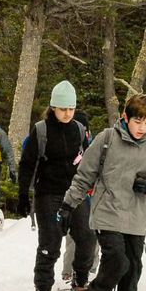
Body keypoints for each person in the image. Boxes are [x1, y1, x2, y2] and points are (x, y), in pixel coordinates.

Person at [60, 94, 146, 291]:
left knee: (132, 270)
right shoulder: (107, 139)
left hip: (136, 217)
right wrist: (69, 204)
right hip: (107, 211)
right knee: (117, 260)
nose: (142, 128)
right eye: (137, 121)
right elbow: (84, 174)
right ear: (125, 117)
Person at [18, 81, 98, 291]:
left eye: (71, 109)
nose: (67, 113)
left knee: (87, 236)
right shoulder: (41, 130)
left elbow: (89, 161)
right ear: (53, 107)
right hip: (49, 194)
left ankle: (80, 282)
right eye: (63, 108)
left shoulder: (79, 130)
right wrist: (23, 194)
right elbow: (27, 164)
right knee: (50, 244)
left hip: (76, 192)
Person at [61, 110, 98, 281]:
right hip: (75, 194)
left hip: (94, 195)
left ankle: (90, 269)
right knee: (73, 236)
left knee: (94, 234)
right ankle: (68, 271)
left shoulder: (96, 145)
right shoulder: (67, 142)